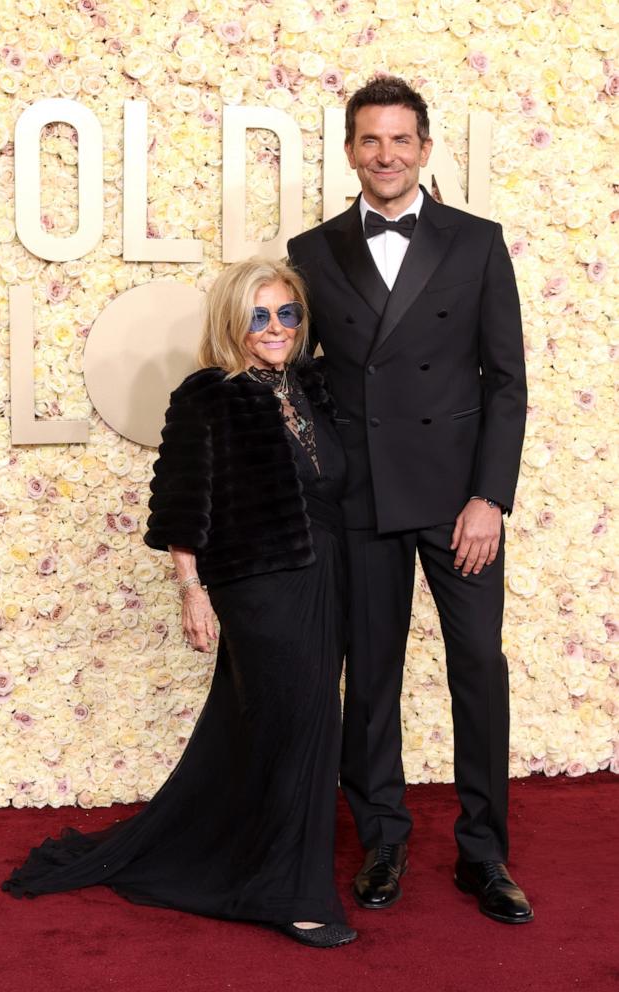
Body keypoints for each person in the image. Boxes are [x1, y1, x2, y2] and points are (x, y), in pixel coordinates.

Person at [2, 258, 357, 949]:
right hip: (257, 583)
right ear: (233, 320)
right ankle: (292, 893)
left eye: (287, 313)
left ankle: (248, 859)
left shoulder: (310, 386)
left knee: (283, 725)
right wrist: (191, 591)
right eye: (259, 315)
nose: (276, 327)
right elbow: (181, 504)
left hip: (325, 575)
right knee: (299, 724)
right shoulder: (209, 396)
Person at [288, 75, 533, 925]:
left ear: (424, 148)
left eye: (400, 140)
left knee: (478, 671)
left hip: (457, 500)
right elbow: (298, 375)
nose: (385, 155)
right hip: (360, 499)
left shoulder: (475, 241)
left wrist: (487, 498)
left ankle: (483, 854)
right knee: (373, 678)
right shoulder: (312, 250)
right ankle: (383, 839)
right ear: (350, 149)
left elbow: (505, 382)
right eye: (369, 140)